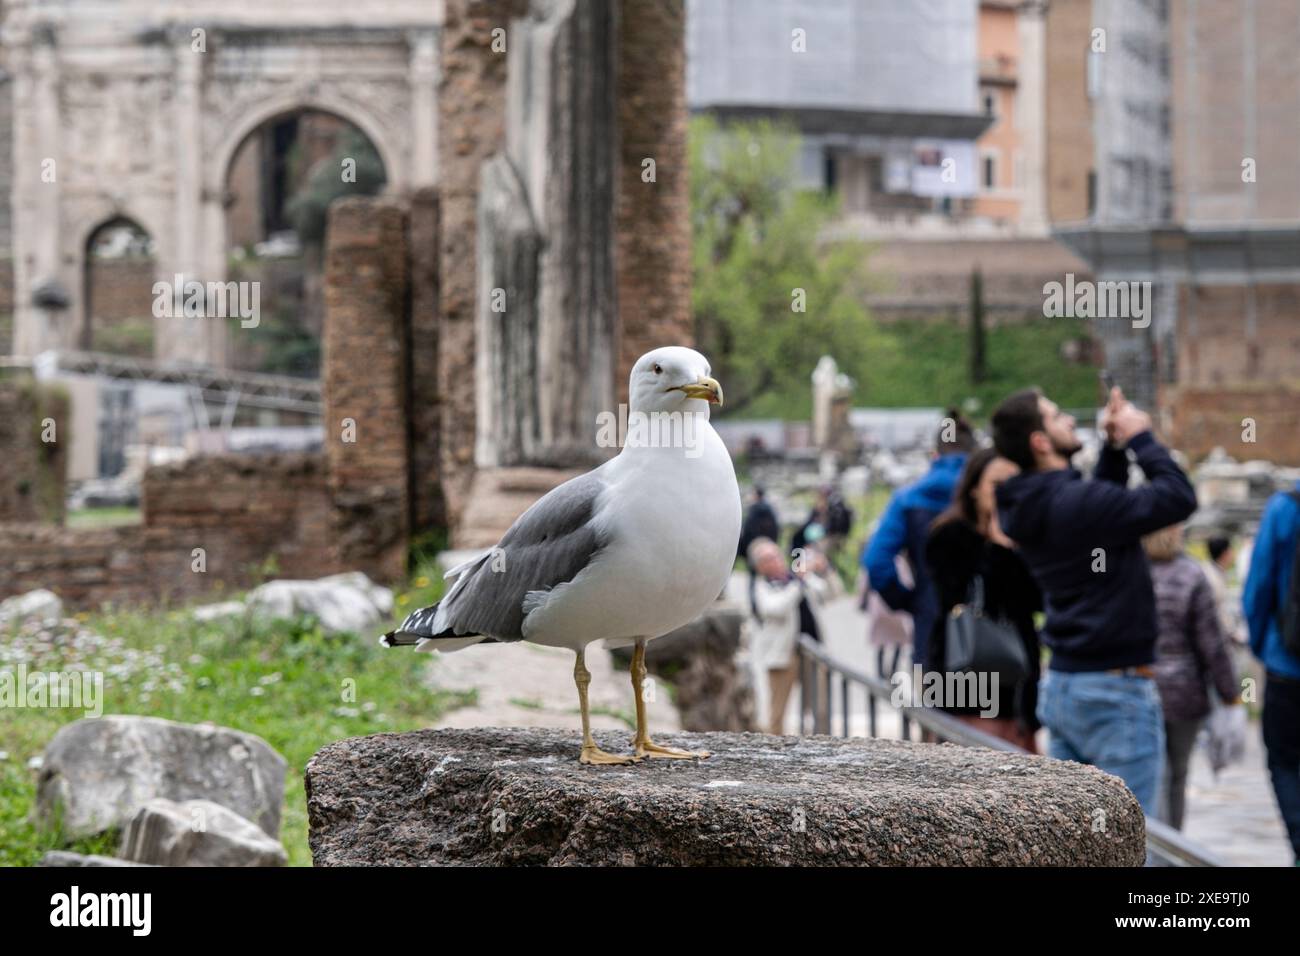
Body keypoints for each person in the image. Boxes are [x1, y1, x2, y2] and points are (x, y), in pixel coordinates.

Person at [992, 386, 1196, 816]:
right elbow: (1177, 498)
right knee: (1135, 841)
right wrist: (1142, 438)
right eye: (1056, 415)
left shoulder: (1032, 502)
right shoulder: (1077, 501)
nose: (1069, 419)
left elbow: (1098, 514)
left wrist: (1115, 447)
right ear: (1040, 441)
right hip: (1115, 693)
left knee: (1080, 845)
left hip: (1066, 684)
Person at [925, 447, 1041, 751]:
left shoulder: (1026, 539)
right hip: (969, 679)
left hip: (1017, 677)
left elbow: (1036, 600)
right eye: (997, 485)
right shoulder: (948, 536)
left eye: (1013, 484)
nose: (1005, 494)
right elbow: (955, 599)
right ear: (975, 489)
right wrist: (997, 547)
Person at [1143, 524, 1240, 830]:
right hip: (1185, 692)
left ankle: (1148, 848)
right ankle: (1172, 845)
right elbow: (1212, 644)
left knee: (1148, 775)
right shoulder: (1191, 574)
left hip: (1138, 687)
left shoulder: (1127, 570)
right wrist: (1231, 695)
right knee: (1177, 775)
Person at [863, 408, 977, 669]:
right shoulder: (991, 493)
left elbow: (876, 561)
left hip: (931, 628)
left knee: (933, 707)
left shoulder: (908, 499)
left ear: (935, 453)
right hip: (993, 640)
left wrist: (908, 601)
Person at [1242, 481, 1300, 865]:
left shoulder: (1286, 506)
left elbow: (1258, 588)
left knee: (1286, 763)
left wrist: (1265, 648)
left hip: (1289, 667)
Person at [746, 536, 832, 735]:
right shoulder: (761, 586)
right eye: (768, 558)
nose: (776, 560)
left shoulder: (795, 578)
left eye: (776, 554)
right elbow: (776, 608)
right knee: (777, 712)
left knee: (821, 708)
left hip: (812, 650)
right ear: (759, 566)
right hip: (782, 656)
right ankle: (774, 754)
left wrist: (823, 569)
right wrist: (798, 583)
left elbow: (828, 593)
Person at [1201, 534, 1248, 646]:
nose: (1233, 554)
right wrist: (1232, 632)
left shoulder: (1213, 570)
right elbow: (1217, 610)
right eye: (1231, 550)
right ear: (1225, 553)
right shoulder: (1212, 577)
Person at [738, 486, 780, 572]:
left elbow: (748, 526)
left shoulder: (754, 508)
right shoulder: (770, 508)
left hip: (753, 543)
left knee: (753, 564)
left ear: (756, 495)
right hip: (768, 541)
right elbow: (776, 527)